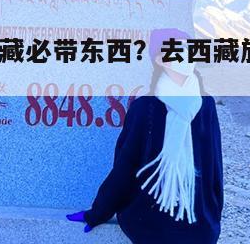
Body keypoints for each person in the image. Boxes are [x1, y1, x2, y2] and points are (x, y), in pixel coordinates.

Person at [67, 28, 224, 244]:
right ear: (160, 60)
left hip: (173, 223)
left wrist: (215, 214)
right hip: (168, 224)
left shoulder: (206, 105)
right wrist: (97, 213)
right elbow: (126, 168)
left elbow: (214, 165)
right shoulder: (145, 107)